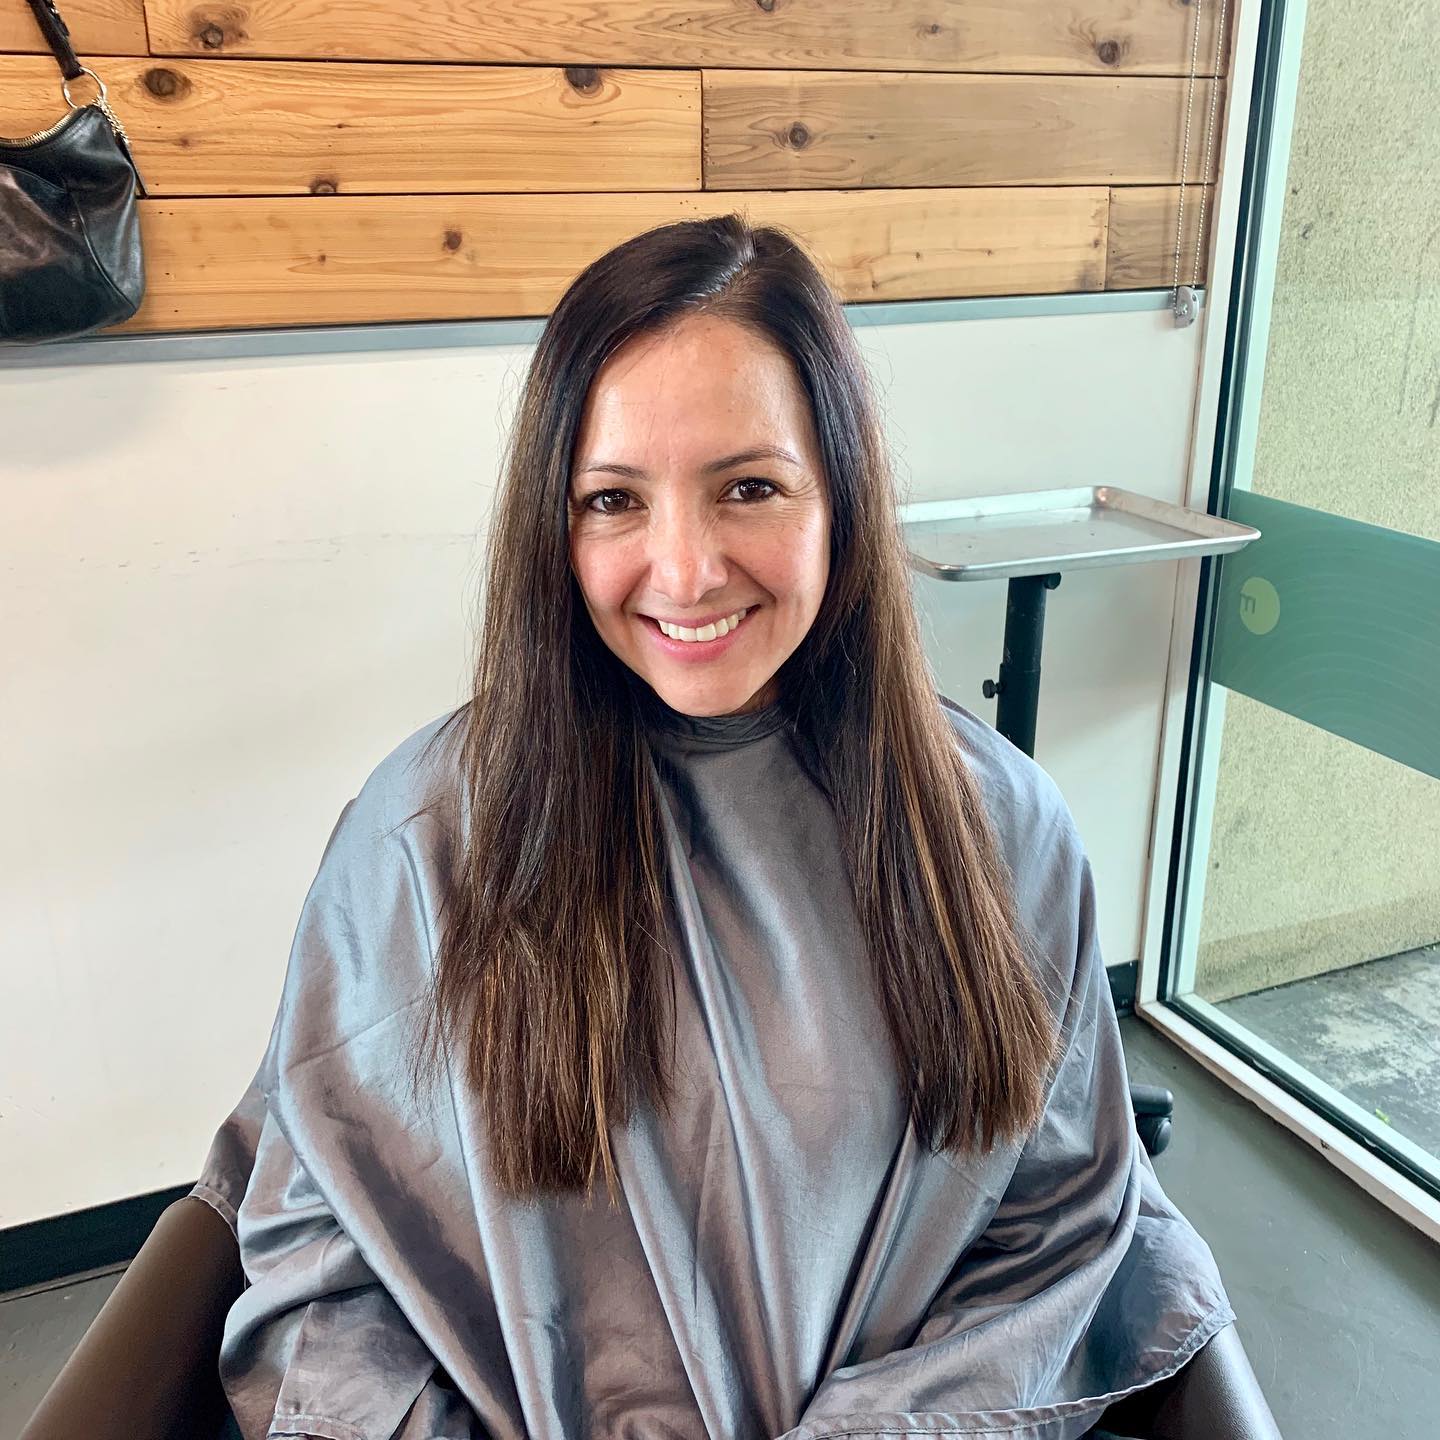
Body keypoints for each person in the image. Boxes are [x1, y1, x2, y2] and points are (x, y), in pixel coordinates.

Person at [187, 213, 1280, 1440]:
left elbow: (1051, 1238)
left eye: (748, 487)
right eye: (614, 500)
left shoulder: (1002, 835)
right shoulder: (421, 843)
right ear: (555, 529)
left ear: (841, 500)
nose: (687, 569)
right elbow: (323, 1262)